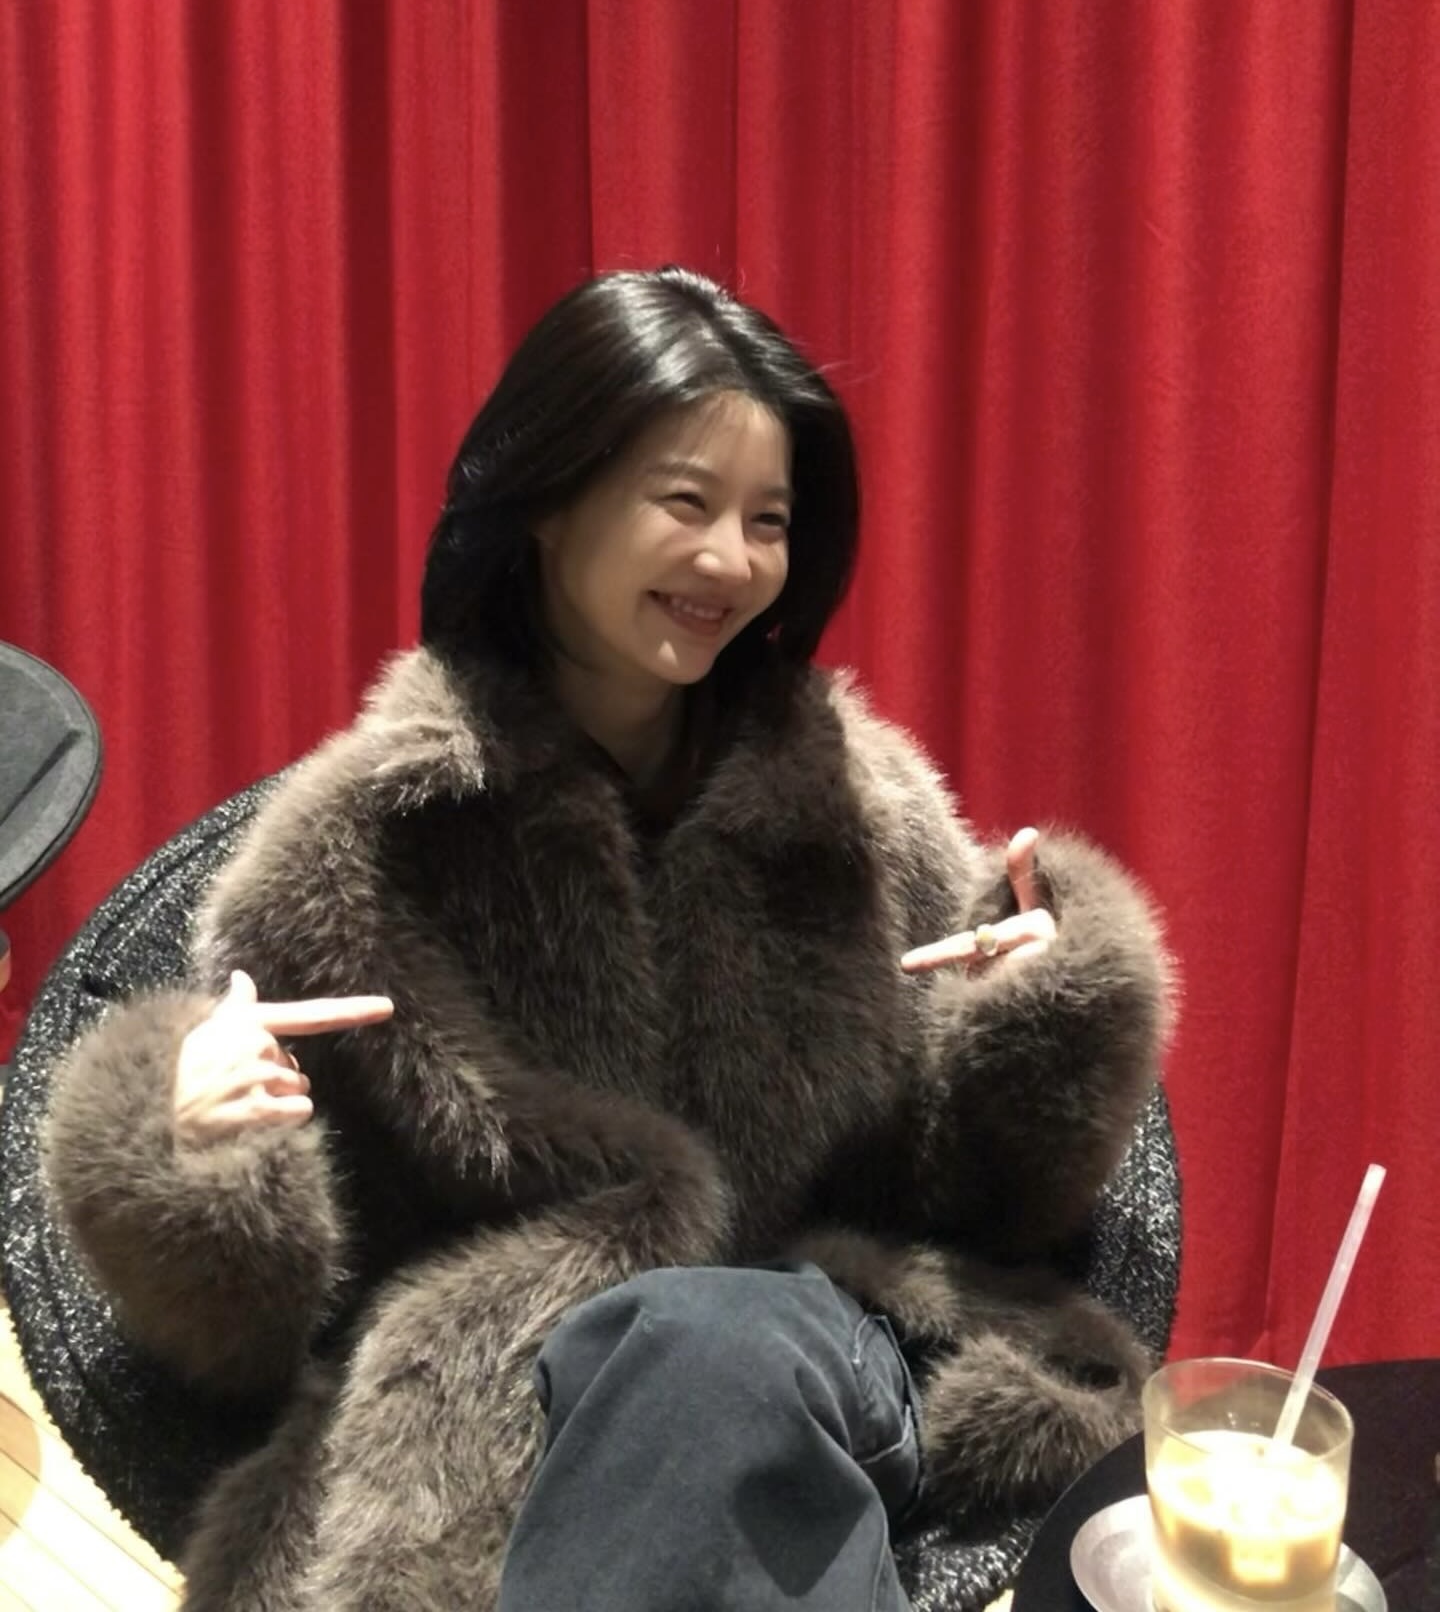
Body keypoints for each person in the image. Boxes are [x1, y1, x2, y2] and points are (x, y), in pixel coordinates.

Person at [42, 266, 1174, 1612]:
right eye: (685, 502)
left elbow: (983, 1200)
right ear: (546, 500)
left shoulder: (861, 810)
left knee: (711, 1347)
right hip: (488, 1425)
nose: (733, 561)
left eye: (768, 520)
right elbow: (247, 1344)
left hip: (822, 1353)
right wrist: (193, 1153)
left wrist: (1035, 1020)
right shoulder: (360, 853)